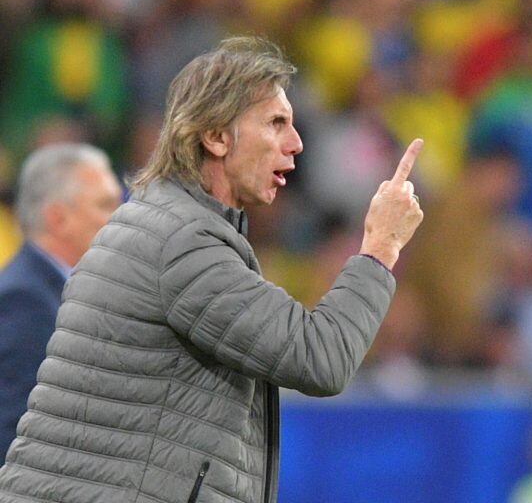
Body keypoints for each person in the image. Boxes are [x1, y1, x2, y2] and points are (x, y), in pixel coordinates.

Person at [0, 37, 424, 503]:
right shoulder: (181, 243)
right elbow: (321, 357)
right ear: (216, 136)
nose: (297, 143)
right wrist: (381, 245)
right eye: (276, 123)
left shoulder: (168, 225)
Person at [0, 143, 122, 459]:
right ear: (58, 218)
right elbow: (16, 432)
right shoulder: (25, 300)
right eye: (106, 204)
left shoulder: (59, 290)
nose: (120, 218)